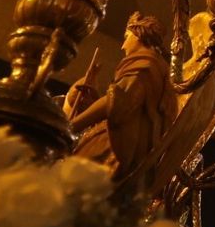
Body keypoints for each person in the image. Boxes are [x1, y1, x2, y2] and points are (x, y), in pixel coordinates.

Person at [66, 12, 180, 182]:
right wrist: (95, 101)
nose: (123, 46)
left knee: (69, 179)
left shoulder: (145, 65)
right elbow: (131, 109)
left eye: (127, 37)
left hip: (116, 152)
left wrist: (70, 126)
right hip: (132, 151)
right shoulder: (156, 69)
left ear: (139, 35)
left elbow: (117, 103)